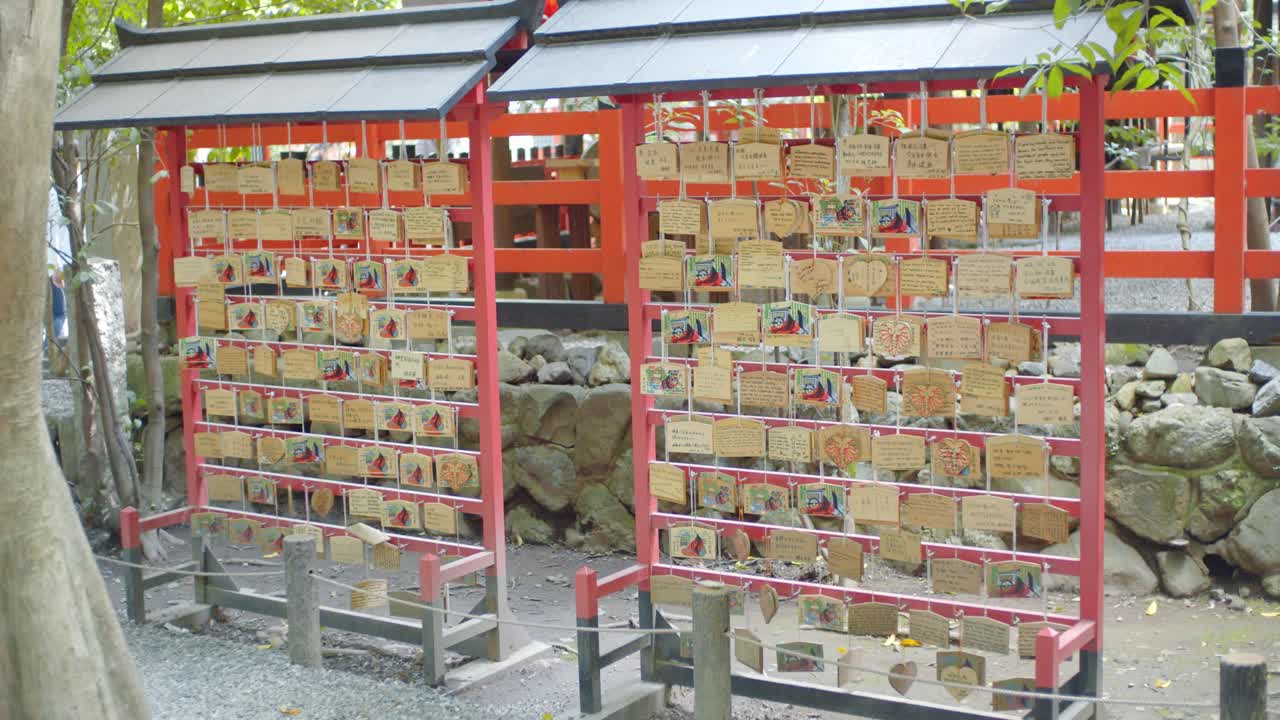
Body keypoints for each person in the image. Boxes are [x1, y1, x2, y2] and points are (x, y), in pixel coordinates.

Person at [46, 188, 70, 344]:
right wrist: (57, 266)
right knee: (59, 313)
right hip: (53, 263)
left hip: (50, 262)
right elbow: (54, 232)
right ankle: (48, 349)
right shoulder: (52, 193)